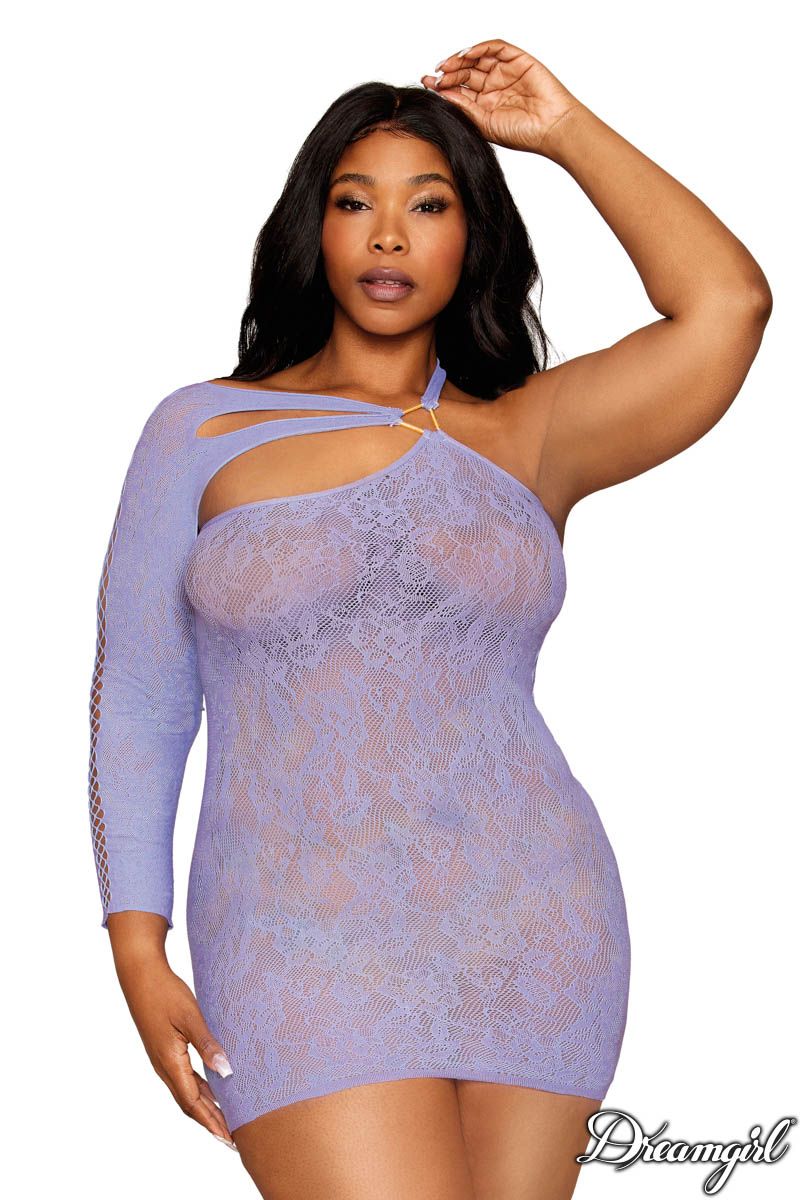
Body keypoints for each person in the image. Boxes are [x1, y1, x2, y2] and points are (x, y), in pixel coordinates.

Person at [86, 38, 772, 1200]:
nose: (389, 237)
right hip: (294, 931)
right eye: (355, 203)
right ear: (314, 228)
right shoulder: (200, 430)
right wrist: (134, 945)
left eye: (429, 204)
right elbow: (141, 704)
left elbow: (727, 304)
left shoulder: (531, 429)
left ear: (473, 234)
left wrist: (561, 129)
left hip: (534, 919)